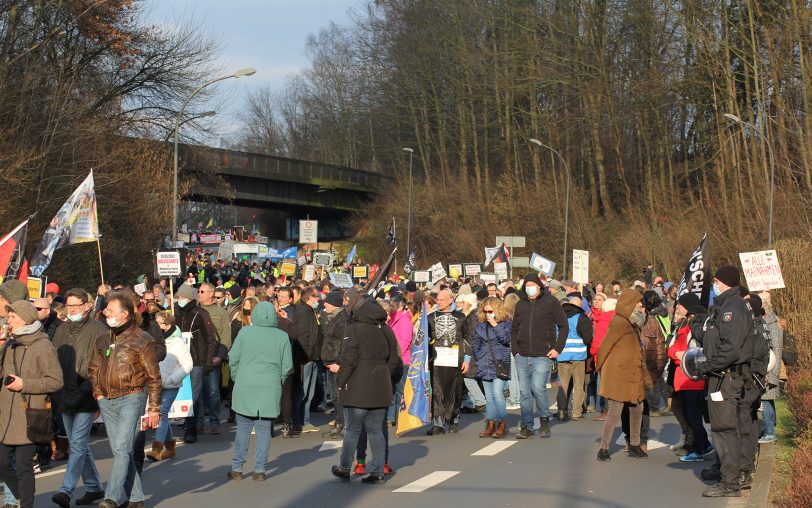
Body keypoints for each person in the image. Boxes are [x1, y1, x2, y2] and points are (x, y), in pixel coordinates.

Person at [88, 292, 161, 508]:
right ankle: (136, 498)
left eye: (110, 309)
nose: (105, 313)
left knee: (120, 448)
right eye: (105, 309)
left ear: (125, 313)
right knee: (121, 450)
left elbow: (154, 377)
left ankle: (111, 497)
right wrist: (98, 394)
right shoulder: (102, 339)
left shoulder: (143, 339)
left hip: (132, 396)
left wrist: (154, 407)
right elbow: (93, 368)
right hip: (107, 400)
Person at [693, 266, 754, 498]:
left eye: (716, 282)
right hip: (724, 375)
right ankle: (730, 474)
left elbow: (730, 347)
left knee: (725, 429)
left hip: (726, 376)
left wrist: (708, 365)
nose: (714, 286)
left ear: (723, 282)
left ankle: (731, 482)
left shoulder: (732, 308)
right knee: (727, 428)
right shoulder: (726, 305)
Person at [330, 298, 402, 484]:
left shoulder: (355, 329)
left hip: (357, 386)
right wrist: (389, 380)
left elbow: (349, 359)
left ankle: (345, 467)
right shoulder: (386, 330)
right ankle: (378, 470)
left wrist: (341, 381)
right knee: (376, 430)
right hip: (380, 385)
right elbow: (395, 360)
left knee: (352, 430)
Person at [0, 300, 63, 508]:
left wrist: (24, 384)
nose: (8, 320)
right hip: (5, 417)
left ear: (25, 319)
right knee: (2, 464)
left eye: (12, 317)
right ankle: (21, 493)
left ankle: (26, 504)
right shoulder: (10, 343)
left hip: (30, 415)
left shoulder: (43, 346)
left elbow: (55, 381)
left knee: (24, 468)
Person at [51, 289, 108, 508]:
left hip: (87, 393)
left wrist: (95, 390)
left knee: (76, 443)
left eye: (76, 305)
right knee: (79, 444)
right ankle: (93, 486)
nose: (72, 309)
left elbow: (103, 362)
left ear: (87, 305)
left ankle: (66, 489)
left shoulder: (98, 329)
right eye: (69, 305)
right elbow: (54, 358)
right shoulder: (61, 329)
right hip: (65, 393)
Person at [228, 302, 292, 481]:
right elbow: (287, 366)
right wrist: (277, 381)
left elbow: (233, 358)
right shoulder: (282, 336)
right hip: (270, 384)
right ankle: (259, 470)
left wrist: (237, 376)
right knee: (264, 429)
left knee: (243, 428)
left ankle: (237, 468)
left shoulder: (245, 332)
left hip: (245, 383)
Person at [511, 274, 568, 439]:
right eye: (527, 285)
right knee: (524, 392)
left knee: (538, 387)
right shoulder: (520, 304)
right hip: (522, 354)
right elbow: (515, 329)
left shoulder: (551, 302)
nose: (530, 287)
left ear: (539, 286)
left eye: (532, 284)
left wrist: (557, 348)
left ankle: (544, 419)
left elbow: (563, 326)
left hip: (543, 354)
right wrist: (516, 349)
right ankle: (526, 426)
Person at [596, 289, 647, 462]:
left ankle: (634, 444)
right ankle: (603, 449)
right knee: (614, 412)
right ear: (629, 303)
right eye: (637, 301)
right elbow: (605, 346)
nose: (640, 304)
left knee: (637, 409)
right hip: (618, 374)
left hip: (633, 373)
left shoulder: (633, 322)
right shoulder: (619, 321)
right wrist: (600, 367)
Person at [667, 293, 713, 463]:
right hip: (692, 379)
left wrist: (677, 354)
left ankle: (698, 449)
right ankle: (704, 445)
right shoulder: (699, 329)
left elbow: (675, 350)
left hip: (690, 379)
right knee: (693, 416)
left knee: (693, 417)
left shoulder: (690, 330)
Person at [173, 284, 217, 444]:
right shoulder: (175, 313)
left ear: (190, 299)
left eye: (182, 298)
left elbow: (210, 339)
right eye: (178, 298)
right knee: (179, 393)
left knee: (194, 395)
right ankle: (182, 422)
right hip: (177, 361)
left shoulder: (201, 314)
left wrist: (207, 361)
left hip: (196, 361)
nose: (180, 301)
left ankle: (191, 429)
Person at [146, 312, 193, 462]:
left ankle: (157, 449)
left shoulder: (178, 343)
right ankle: (170, 447)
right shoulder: (153, 340)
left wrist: (173, 379)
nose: (156, 325)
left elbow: (188, 364)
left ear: (168, 325)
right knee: (162, 415)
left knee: (161, 413)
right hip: (155, 384)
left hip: (171, 385)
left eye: (159, 322)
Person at [427, 289, 471, 435]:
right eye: (437, 299)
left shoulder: (461, 317)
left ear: (450, 300)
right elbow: (424, 340)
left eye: (441, 299)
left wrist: (467, 359)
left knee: (455, 389)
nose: (438, 302)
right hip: (437, 359)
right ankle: (438, 423)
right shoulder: (430, 318)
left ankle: (454, 419)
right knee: (438, 389)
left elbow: (467, 338)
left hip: (455, 359)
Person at [471, 297, 512, 438]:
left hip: (500, 363)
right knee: (489, 397)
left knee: (498, 393)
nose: (488, 314)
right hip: (484, 364)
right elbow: (475, 343)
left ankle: (502, 423)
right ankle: (490, 424)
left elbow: (506, 340)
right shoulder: (481, 326)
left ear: (497, 310)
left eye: (491, 311)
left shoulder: (506, 324)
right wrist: (479, 357)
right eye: (486, 311)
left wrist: (495, 325)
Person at [196, 283, 230, 435]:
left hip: (212, 358)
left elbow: (225, 337)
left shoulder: (221, 312)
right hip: (196, 358)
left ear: (211, 293)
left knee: (213, 392)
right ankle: (199, 423)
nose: (199, 293)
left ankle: (215, 421)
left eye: (202, 291)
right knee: (198, 392)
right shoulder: (195, 310)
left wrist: (220, 356)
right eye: (199, 291)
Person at [556, 296, 593, 421]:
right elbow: (588, 339)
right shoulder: (582, 318)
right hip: (578, 356)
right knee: (578, 385)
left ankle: (561, 411)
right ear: (580, 306)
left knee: (563, 385)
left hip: (562, 355)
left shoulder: (559, 317)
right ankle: (576, 412)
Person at [293, 288, 323, 433]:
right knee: (303, 392)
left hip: (313, 358)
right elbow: (302, 337)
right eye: (317, 297)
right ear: (310, 297)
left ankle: (305, 421)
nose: (319, 299)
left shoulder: (309, 310)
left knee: (309, 393)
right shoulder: (303, 311)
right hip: (307, 359)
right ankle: (298, 421)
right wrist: (307, 357)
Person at [320, 291, 349, 438]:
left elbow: (345, 343)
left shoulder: (342, 319)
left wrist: (338, 362)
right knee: (335, 396)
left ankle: (343, 425)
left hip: (337, 363)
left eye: (327, 302)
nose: (324, 304)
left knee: (340, 395)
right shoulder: (333, 317)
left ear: (334, 304)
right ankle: (338, 423)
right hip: (330, 362)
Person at [758, 292, 783, 443]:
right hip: (769, 368)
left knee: (765, 400)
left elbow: (776, 351)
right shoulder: (768, 322)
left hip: (769, 369)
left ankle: (769, 432)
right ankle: (768, 429)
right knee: (768, 400)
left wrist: (771, 373)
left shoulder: (772, 326)